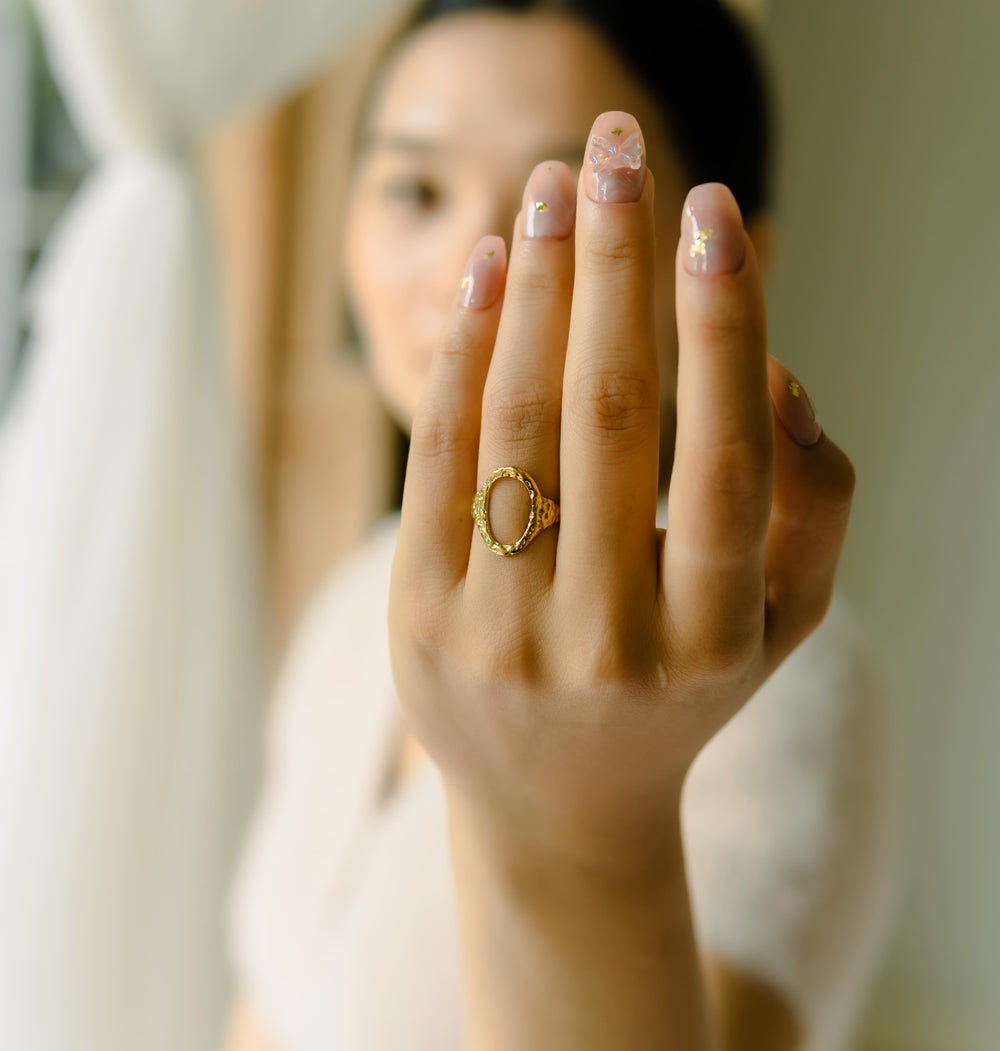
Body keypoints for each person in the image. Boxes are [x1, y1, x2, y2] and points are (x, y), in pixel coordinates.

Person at [223, 2, 901, 1049]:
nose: (472, 267)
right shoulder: (359, 596)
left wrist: (585, 829)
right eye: (415, 189)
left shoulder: (770, 677)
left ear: (735, 262)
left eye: (574, 212)